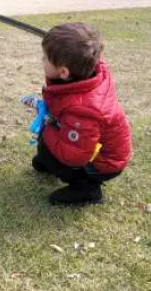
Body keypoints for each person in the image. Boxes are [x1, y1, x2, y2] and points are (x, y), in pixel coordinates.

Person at [22, 23, 131, 206]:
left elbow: (74, 156)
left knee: (50, 141)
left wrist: (47, 127)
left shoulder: (83, 111)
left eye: (45, 58)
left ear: (64, 72)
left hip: (103, 162)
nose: (42, 60)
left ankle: (87, 189)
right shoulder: (88, 69)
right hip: (86, 141)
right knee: (50, 139)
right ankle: (47, 161)